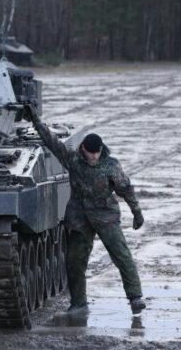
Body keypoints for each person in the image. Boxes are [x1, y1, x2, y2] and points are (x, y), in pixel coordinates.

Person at [24, 105, 146, 315]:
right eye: (91, 153)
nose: (94, 157)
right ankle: (79, 303)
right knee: (75, 261)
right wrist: (35, 120)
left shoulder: (111, 165)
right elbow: (51, 142)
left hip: (106, 215)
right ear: (83, 149)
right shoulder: (73, 159)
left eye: (97, 153)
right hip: (79, 217)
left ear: (101, 149)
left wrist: (137, 212)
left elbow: (125, 189)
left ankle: (135, 297)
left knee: (122, 255)